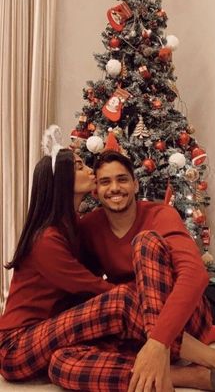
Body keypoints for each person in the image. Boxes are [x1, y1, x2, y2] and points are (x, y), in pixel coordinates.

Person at [49, 150, 215, 392]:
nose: (115, 188)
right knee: (60, 362)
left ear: (136, 184)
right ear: (96, 190)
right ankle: (190, 376)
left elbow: (195, 274)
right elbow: (84, 285)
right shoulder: (90, 227)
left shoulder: (161, 214)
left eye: (122, 179)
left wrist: (159, 341)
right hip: (135, 326)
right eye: (105, 181)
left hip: (184, 322)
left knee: (146, 241)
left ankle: (184, 355)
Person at [0, 130, 147, 383]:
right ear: (62, 181)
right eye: (80, 166)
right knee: (119, 300)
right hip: (17, 345)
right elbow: (92, 287)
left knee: (68, 362)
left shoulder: (75, 228)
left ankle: (165, 370)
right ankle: (197, 356)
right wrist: (137, 297)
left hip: (54, 333)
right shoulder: (46, 240)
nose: (91, 170)